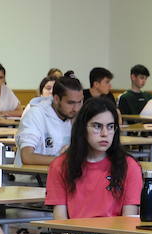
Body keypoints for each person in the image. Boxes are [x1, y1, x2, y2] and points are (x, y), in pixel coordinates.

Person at [46, 95, 142, 227]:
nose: (104, 133)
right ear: (82, 128)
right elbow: (60, 220)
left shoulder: (129, 166)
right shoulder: (60, 166)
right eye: (97, 126)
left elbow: (129, 221)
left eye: (110, 127)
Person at [16, 71, 83, 164]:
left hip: (62, 175)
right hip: (31, 177)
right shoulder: (35, 114)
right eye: (70, 103)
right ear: (56, 99)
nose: (76, 108)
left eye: (79, 102)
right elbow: (27, 157)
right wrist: (64, 160)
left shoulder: (76, 116)